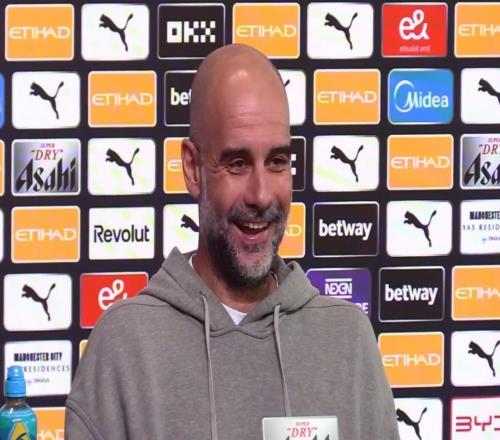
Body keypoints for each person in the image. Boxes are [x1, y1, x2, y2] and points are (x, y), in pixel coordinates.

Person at [65, 44, 400, 439]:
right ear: (193, 169)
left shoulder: (348, 340)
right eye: (237, 163)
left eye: (277, 162)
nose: (261, 194)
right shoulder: (123, 346)